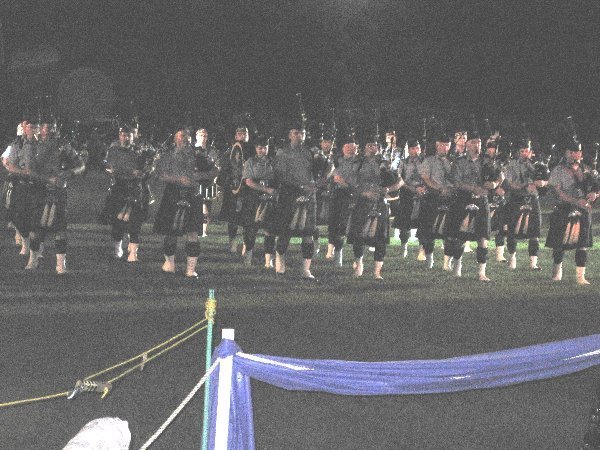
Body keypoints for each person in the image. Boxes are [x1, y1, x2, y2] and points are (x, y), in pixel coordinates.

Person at [153, 128, 218, 278]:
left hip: (193, 195)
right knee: (171, 232)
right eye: (181, 136)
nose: (185, 139)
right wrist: (178, 179)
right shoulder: (168, 156)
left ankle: (190, 270)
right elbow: (160, 175)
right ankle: (169, 265)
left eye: (187, 136)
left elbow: (214, 171)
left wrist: (199, 175)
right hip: (172, 194)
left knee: (193, 232)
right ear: (175, 139)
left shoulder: (198, 155)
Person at [25, 120, 85, 273]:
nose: (49, 130)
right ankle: (33, 260)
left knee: (60, 228)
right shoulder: (33, 145)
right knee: (35, 228)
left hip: (59, 192)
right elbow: (29, 170)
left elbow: (81, 165)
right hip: (39, 190)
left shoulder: (64, 146)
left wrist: (67, 173)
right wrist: (47, 179)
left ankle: (60, 265)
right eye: (46, 127)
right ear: (40, 129)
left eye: (52, 127)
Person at [347, 136, 403, 280]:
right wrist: (363, 192)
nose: (372, 148)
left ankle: (377, 272)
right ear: (364, 147)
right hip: (362, 201)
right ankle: (359, 265)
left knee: (380, 238)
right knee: (359, 236)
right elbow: (351, 182)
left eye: (375, 145)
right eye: (369, 145)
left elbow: (400, 181)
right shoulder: (358, 162)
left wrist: (389, 189)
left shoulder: (385, 162)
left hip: (380, 202)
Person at [545, 139, 598, 284]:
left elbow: (596, 187)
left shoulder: (588, 170)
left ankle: (580, 276)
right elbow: (558, 192)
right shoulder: (558, 170)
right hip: (563, 208)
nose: (574, 155)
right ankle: (557, 273)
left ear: (580, 153)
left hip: (583, 209)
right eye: (571, 152)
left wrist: (595, 194)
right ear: (566, 153)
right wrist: (576, 201)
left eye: (577, 152)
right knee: (559, 244)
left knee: (582, 244)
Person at [446, 132, 496, 281]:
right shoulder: (459, 162)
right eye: (474, 142)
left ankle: (481, 273)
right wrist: (473, 188)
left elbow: (499, 175)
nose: (477, 145)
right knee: (461, 236)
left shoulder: (487, 161)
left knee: (483, 236)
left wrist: (494, 183)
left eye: (479, 142)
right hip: (464, 200)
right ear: (467, 144)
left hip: (482, 201)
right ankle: (457, 266)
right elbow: (456, 182)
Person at [272, 123, 318, 280]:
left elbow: (317, 172)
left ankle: (306, 269)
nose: (299, 136)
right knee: (286, 231)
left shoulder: (309, 153)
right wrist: (300, 186)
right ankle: (280, 261)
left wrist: (316, 184)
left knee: (308, 232)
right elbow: (281, 175)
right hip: (289, 194)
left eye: (302, 133)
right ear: (289, 135)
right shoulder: (283, 153)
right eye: (295, 133)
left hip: (309, 195)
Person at [100, 127, 151, 262]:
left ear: (133, 136)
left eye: (129, 135)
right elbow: (108, 167)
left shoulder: (140, 151)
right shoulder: (113, 151)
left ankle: (133, 253)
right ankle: (118, 249)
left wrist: (144, 173)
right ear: (120, 136)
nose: (126, 138)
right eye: (123, 135)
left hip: (136, 188)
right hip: (119, 187)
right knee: (117, 220)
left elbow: (148, 169)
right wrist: (123, 171)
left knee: (135, 221)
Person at [503, 138, 546, 270]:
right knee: (512, 231)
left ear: (530, 152)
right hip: (516, 199)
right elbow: (510, 183)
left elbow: (547, 180)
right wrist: (525, 186)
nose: (524, 154)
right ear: (517, 152)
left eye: (527, 151)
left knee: (535, 231)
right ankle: (512, 259)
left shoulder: (538, 165)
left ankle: (533, 263)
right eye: (522, 151)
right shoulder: (511, 165)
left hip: (533, 199)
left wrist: (542, 183)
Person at [416, 133, 454, 270]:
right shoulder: (429, 161)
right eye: (442, 145)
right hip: (432, 197)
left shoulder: (452, 161)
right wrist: (440, 188)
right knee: (428, 230)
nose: (444, 148)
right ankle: (429, 259)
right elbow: (426, 178)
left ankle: (446, 263)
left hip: (449, 198)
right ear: (437, 145)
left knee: (449, 231)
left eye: (447, 145)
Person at [240, 136, 277, 267]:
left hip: (270, 199)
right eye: (260, 148)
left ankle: (268, 261)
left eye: (265, 148)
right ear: (256, 148)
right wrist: (265, 189)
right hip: (254, 198)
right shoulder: (250, 162)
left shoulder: (273, 162)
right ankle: (248, 258)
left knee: (270, 230)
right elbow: (248, 181)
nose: (263, 150)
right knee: (251, 229)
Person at [2, 120, 37, 256]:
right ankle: (22, 236)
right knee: (14, 211)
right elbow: (6, 160)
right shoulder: (15, 144)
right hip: (18, 181)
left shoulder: (38, 143)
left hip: (35, 181)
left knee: (34, 215)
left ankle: (36, 248)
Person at [217, 126, 254, 253]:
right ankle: (232, 242)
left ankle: (246, 245)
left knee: (248, 219)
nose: (243, 135)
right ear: (235, 135)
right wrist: (226, 183)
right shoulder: (230, 152)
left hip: (249, 189)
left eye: (245, 133)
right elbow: (224, 170)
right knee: (233, 218)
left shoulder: (253, 151)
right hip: (233, 189)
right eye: (240, 133)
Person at [326, 139, 358, 267]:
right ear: (343, 149)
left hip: (351, 195)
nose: (350, 149)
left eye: (353, 147)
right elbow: (329, 176)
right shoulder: (337, 161)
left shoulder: (359, 163)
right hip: (336, 194)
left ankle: (349, 256)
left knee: (345, 226)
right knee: (333, 223)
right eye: (347, 147)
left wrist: (346, 184)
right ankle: (334, 252)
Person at [391, 137, 425, 258]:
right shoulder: (403, 162)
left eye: (417, 148)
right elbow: (400, 179)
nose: (416, 150)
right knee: (404, 224)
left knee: (422, 223)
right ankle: (404, 247)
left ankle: (421, 250)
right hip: (407, 193)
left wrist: (422, 188)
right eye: (413, 148)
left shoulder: (425, 161)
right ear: (409, 150)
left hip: (422, 194)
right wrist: (412, 189)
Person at [481, 140, 508, 262]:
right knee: (485, 226)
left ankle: (499, 255)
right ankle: (483, 251)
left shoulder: (501, 162)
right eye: (489, 149)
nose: (491, 151)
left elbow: (505, 179)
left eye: (494, 149)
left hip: (499, 197)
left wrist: (501, 187)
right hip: (486, 196)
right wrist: (492, 185)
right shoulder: (481, 162)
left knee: (501, 226)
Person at [194, 127, 217, 238]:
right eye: (201, 135)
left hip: (208, 181)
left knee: (207, 207)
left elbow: (216, 166)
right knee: (196, 207)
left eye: (205, 136)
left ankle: (203, 231)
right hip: (195, 181)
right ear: (196, 136)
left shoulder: (211, 150)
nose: (203, 138)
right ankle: (195, 228)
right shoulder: (192, 149)